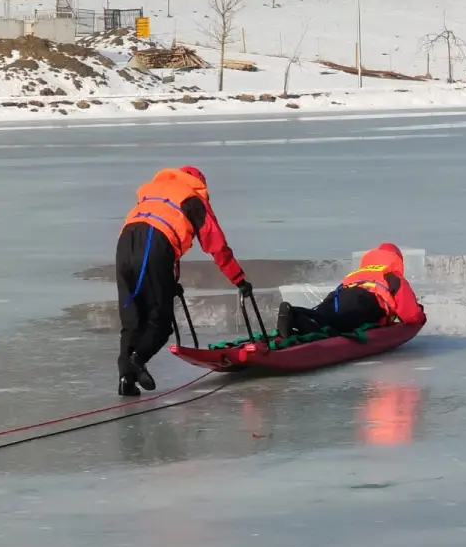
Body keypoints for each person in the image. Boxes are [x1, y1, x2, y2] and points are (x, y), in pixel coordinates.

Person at [116, 165, 253, 396]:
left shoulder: (156, 191)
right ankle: (136, 360)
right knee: (160, 323)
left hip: (125, 244)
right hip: (154, 244)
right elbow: (216, 244)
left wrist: (170, 281)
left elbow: (159, 228)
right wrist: (239, 279)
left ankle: (126, 381)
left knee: (133, 319)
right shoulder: (193, 198)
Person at [275, 243, 425, 340]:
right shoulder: (392, 277)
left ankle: (295, 313)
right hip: (365, 301)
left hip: (338, 296)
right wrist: (420, 315)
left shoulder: (358, 273)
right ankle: (298, 319)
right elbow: (411, 315)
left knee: (325, 316)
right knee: (336, 327)